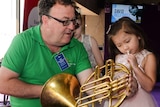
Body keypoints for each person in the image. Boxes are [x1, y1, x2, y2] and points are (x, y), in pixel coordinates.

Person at [0, 0, 138, 107]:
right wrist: (51, 92)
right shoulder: (23, 42)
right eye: (65, 21)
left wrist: (117, 90)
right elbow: (2, 83)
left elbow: (90, 86)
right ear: (45, 20)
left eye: (73, 21)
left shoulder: (77, 47)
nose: (72, 27)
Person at [105, 17, 158, 107]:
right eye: (119, 45)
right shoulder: (118, 57)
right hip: (119, 100)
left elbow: (149, 87)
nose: (125, 47)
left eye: (127, 41)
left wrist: (135, 67)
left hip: (140, 102)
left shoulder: (148, 57)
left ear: (138, 35)